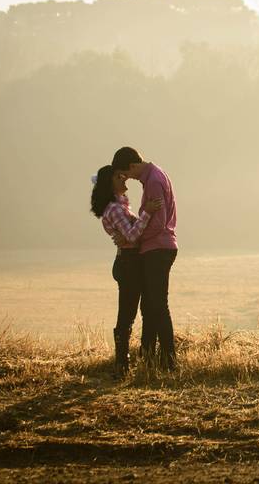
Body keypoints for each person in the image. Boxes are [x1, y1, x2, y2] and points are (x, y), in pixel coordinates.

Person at [90, 165, 162, 378]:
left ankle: (127, 362)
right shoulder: (114, 209)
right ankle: (122, 365)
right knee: (127, 315)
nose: (125, 179)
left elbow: (128, 236)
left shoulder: (119, 206)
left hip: (130, 261)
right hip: (129, 264)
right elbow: (131, 236)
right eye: (119, 177)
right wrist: (148, 211)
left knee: (131, 313)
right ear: (110, 182)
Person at [111, 146, 179, 370]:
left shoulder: (153, 181)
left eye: (126, 173)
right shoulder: (154, 177)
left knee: (158, 305)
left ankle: (168, 360)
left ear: (132, 166)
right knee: (150, 306)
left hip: (157, 248)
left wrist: (134, 240)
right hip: (156, 247)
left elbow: (158, 222)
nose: (126, 179)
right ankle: (150, 356)